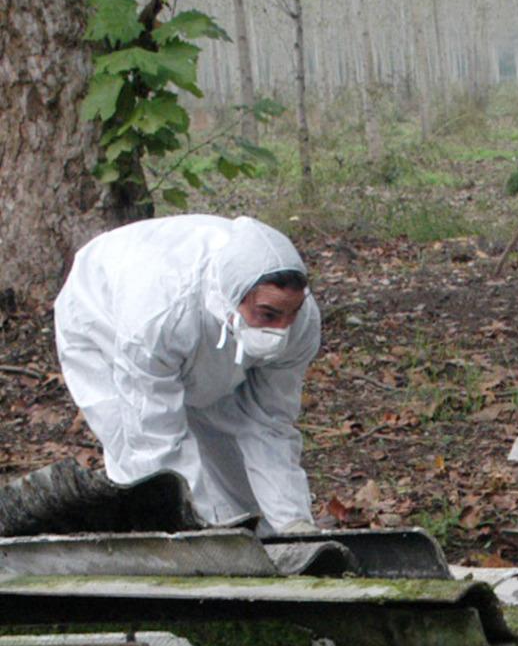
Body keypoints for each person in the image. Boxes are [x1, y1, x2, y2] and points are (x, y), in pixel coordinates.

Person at [54, 214, 320, 535]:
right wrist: (197, 534)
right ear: (233, 297)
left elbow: (269, 422)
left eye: (290, 314)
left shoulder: (301, 324)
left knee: (247, 500)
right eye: (269, 315)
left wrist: (292, 521)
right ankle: (165, 558)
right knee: (140, 464)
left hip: (204, 338)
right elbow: (154, 441)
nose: (281, 329)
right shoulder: (158, 317)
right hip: (102, 319)